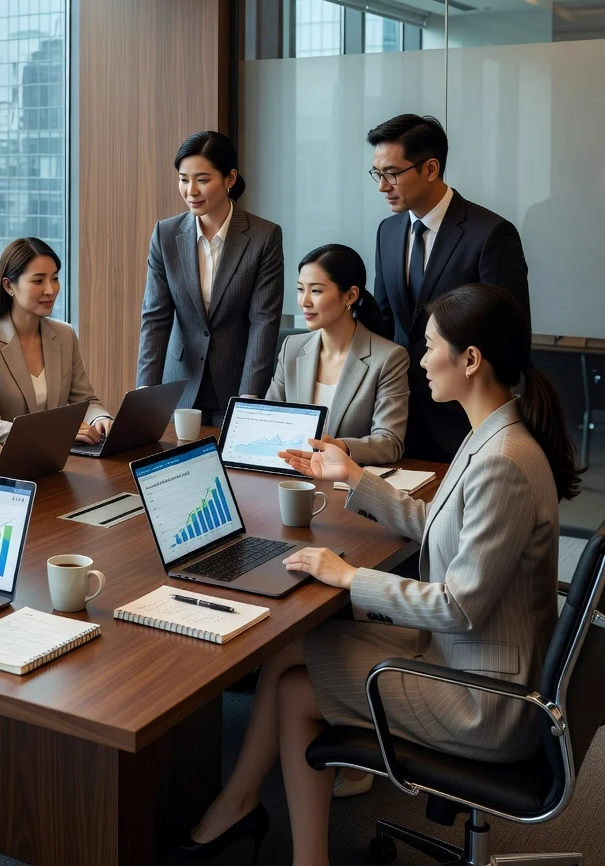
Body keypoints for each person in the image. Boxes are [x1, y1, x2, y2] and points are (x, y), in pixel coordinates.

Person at [181, 283, 578, 865]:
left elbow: (459, 606)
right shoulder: (493, 434)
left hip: (486, 700)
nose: (420, 360)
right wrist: (351, 477)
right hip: (476, 658)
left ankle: (276, 834)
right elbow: (442, 526)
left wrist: (347, 578)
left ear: (471, 360)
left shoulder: (504, 462)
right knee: (293, 650)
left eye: (431, 346)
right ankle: (241, 803)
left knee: (295, 689)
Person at [369, 113, 529, 462]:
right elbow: (384, 325)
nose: (383, 186)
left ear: (430, 168)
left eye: (392, 173)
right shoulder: (388, 232)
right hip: (397, 417)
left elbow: (510, 338)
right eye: (377, 174)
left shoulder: (489, 234)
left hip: (462, 422)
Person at [136, 131, 283, 425]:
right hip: (179, 384)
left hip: (237, 385)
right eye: (183, 178)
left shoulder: (263, 236)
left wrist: (249, 399)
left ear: (229, 179)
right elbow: (155, 318)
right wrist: (145, 392)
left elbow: (263, 322)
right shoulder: (166, 235)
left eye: (202, 180)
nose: (191, 190)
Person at [266, 244, 409, 465]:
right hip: (292, 473)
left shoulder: (389, 358)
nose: (304, 302)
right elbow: (271, 418)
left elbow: (389, 442)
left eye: (316, 291)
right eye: (300, 289)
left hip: (347, 482)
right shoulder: (291, 348)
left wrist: (339, 447)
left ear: (350, 295)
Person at [0, 237, 112, 444]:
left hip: (60, 457)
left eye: (55, 278)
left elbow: (85, 400)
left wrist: (100, 417)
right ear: (8, 286)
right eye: (38, 281)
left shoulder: (64, 334)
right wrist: (55, 432)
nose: (50, 290)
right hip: (9, 461)